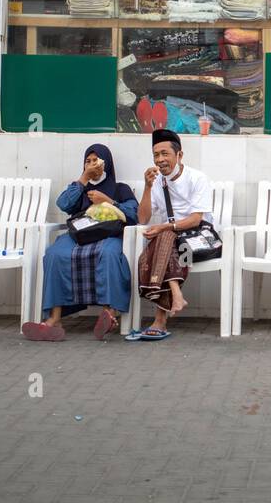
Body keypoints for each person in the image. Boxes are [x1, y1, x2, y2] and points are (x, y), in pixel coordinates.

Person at [22, 143, 138, 342]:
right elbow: (63, 204)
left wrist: (108, 201)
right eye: (88, 162)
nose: (92, 165)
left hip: (108, 234)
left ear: (106, 163)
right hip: (79, 235)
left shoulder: (120, 189)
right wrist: (84, 179)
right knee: (55, 254)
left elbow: (133, 215)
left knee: (109, 255)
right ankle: (54, 320)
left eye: (96, 161)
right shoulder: (79, 188)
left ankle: (109, 314)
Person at [133, 128, 219, 340]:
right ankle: (175, 294)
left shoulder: (197, 178)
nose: (160, 159)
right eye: (156, 155)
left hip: (201, 239)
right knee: (164, 239)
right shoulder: (156, 182)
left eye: (165, 154)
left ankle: (160, 319)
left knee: (163, 236)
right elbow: (142, 219)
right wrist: (146, 187)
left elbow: (196, 219)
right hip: (173, 243)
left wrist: (163, 227)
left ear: (179, 156)